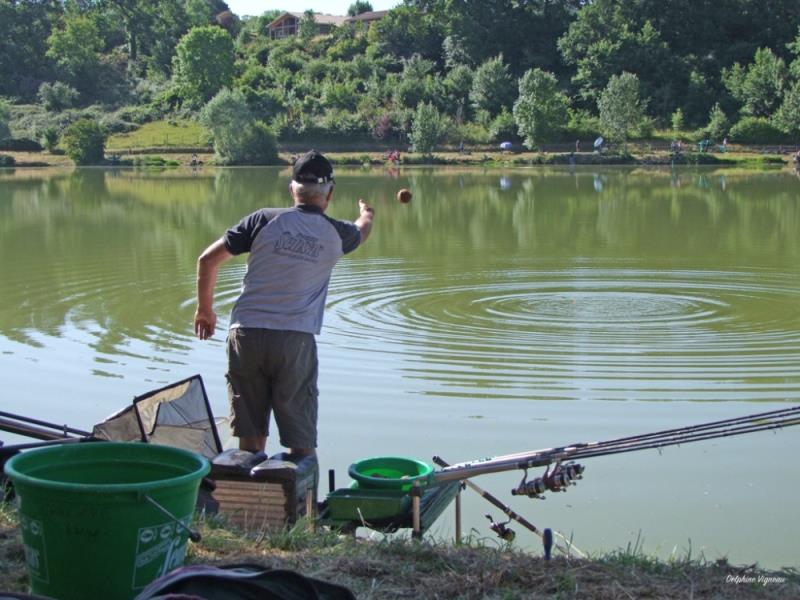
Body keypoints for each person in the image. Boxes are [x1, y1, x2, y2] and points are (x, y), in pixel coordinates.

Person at [194, 150, 375, 459]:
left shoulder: (262, 220)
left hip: (246, 336)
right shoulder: (338, 234)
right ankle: (300, 503)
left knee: (249, 440)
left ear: (292, 189)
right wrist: (367, 212)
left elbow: (207, 261)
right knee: (301, 441)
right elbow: (362, 230)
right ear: (329, 194)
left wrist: (205, 310)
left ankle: (250, 502)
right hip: (294, 341)